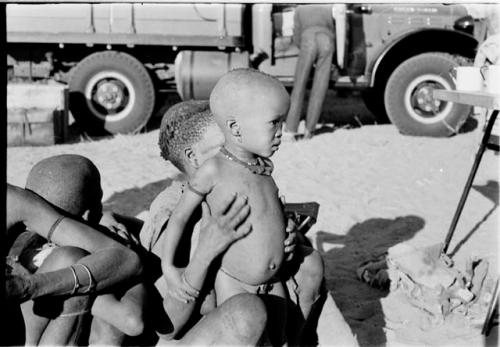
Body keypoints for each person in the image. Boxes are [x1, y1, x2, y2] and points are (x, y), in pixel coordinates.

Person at [149, 98, 325, 345]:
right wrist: (205, 253)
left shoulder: (234, 185)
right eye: (224, 146)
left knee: (309, 263)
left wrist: (285, 235)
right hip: (201, 332)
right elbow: (167, 324)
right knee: (247, 310)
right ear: (193, 156)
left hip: (248, 306)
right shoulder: (170, 211)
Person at [12, 154, 147, 346]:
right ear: (89, 213)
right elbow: (132, 321)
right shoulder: (74, 258)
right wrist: (131, 259)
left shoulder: (26, 247)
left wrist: (109, 216)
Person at [284, 4, 335, 140]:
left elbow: (296, 35)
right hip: (327, 41)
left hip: (308, 40)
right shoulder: (328, 8)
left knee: (299, 86)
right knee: (320, 87)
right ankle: (309, 130)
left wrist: (304, 50)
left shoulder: (300, 9)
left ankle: (290, 130)